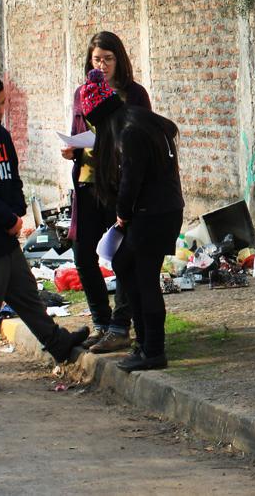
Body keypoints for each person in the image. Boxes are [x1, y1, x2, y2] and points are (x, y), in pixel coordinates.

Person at [0, 72, 88, 393]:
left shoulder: (1, 135)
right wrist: (6, 219)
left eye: (2, 105)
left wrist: (19, 209)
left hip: (5, 238)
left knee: (27, 296)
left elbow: (11, 177)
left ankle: (58, 344)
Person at [82, 68, 184, 371]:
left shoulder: (128, 132)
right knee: (126, 267)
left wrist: (122, 216)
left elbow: (131, 180)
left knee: (144, 279)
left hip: (151, 215)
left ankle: (152, 349)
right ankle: (144, 345)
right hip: (161, 211)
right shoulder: (139, 120)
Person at [61, 31, 151, 354]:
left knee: (123, 257)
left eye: (108, 59)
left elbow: (143, 137)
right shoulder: (81, 93)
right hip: (86, 182)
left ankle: (119, 326)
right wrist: (72, 149)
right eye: (97, 59)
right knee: (83, 255)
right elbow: (78, 132)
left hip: (120, 185)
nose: (102, 65)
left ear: (120, 60)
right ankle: (101, 321)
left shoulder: (134, 94)